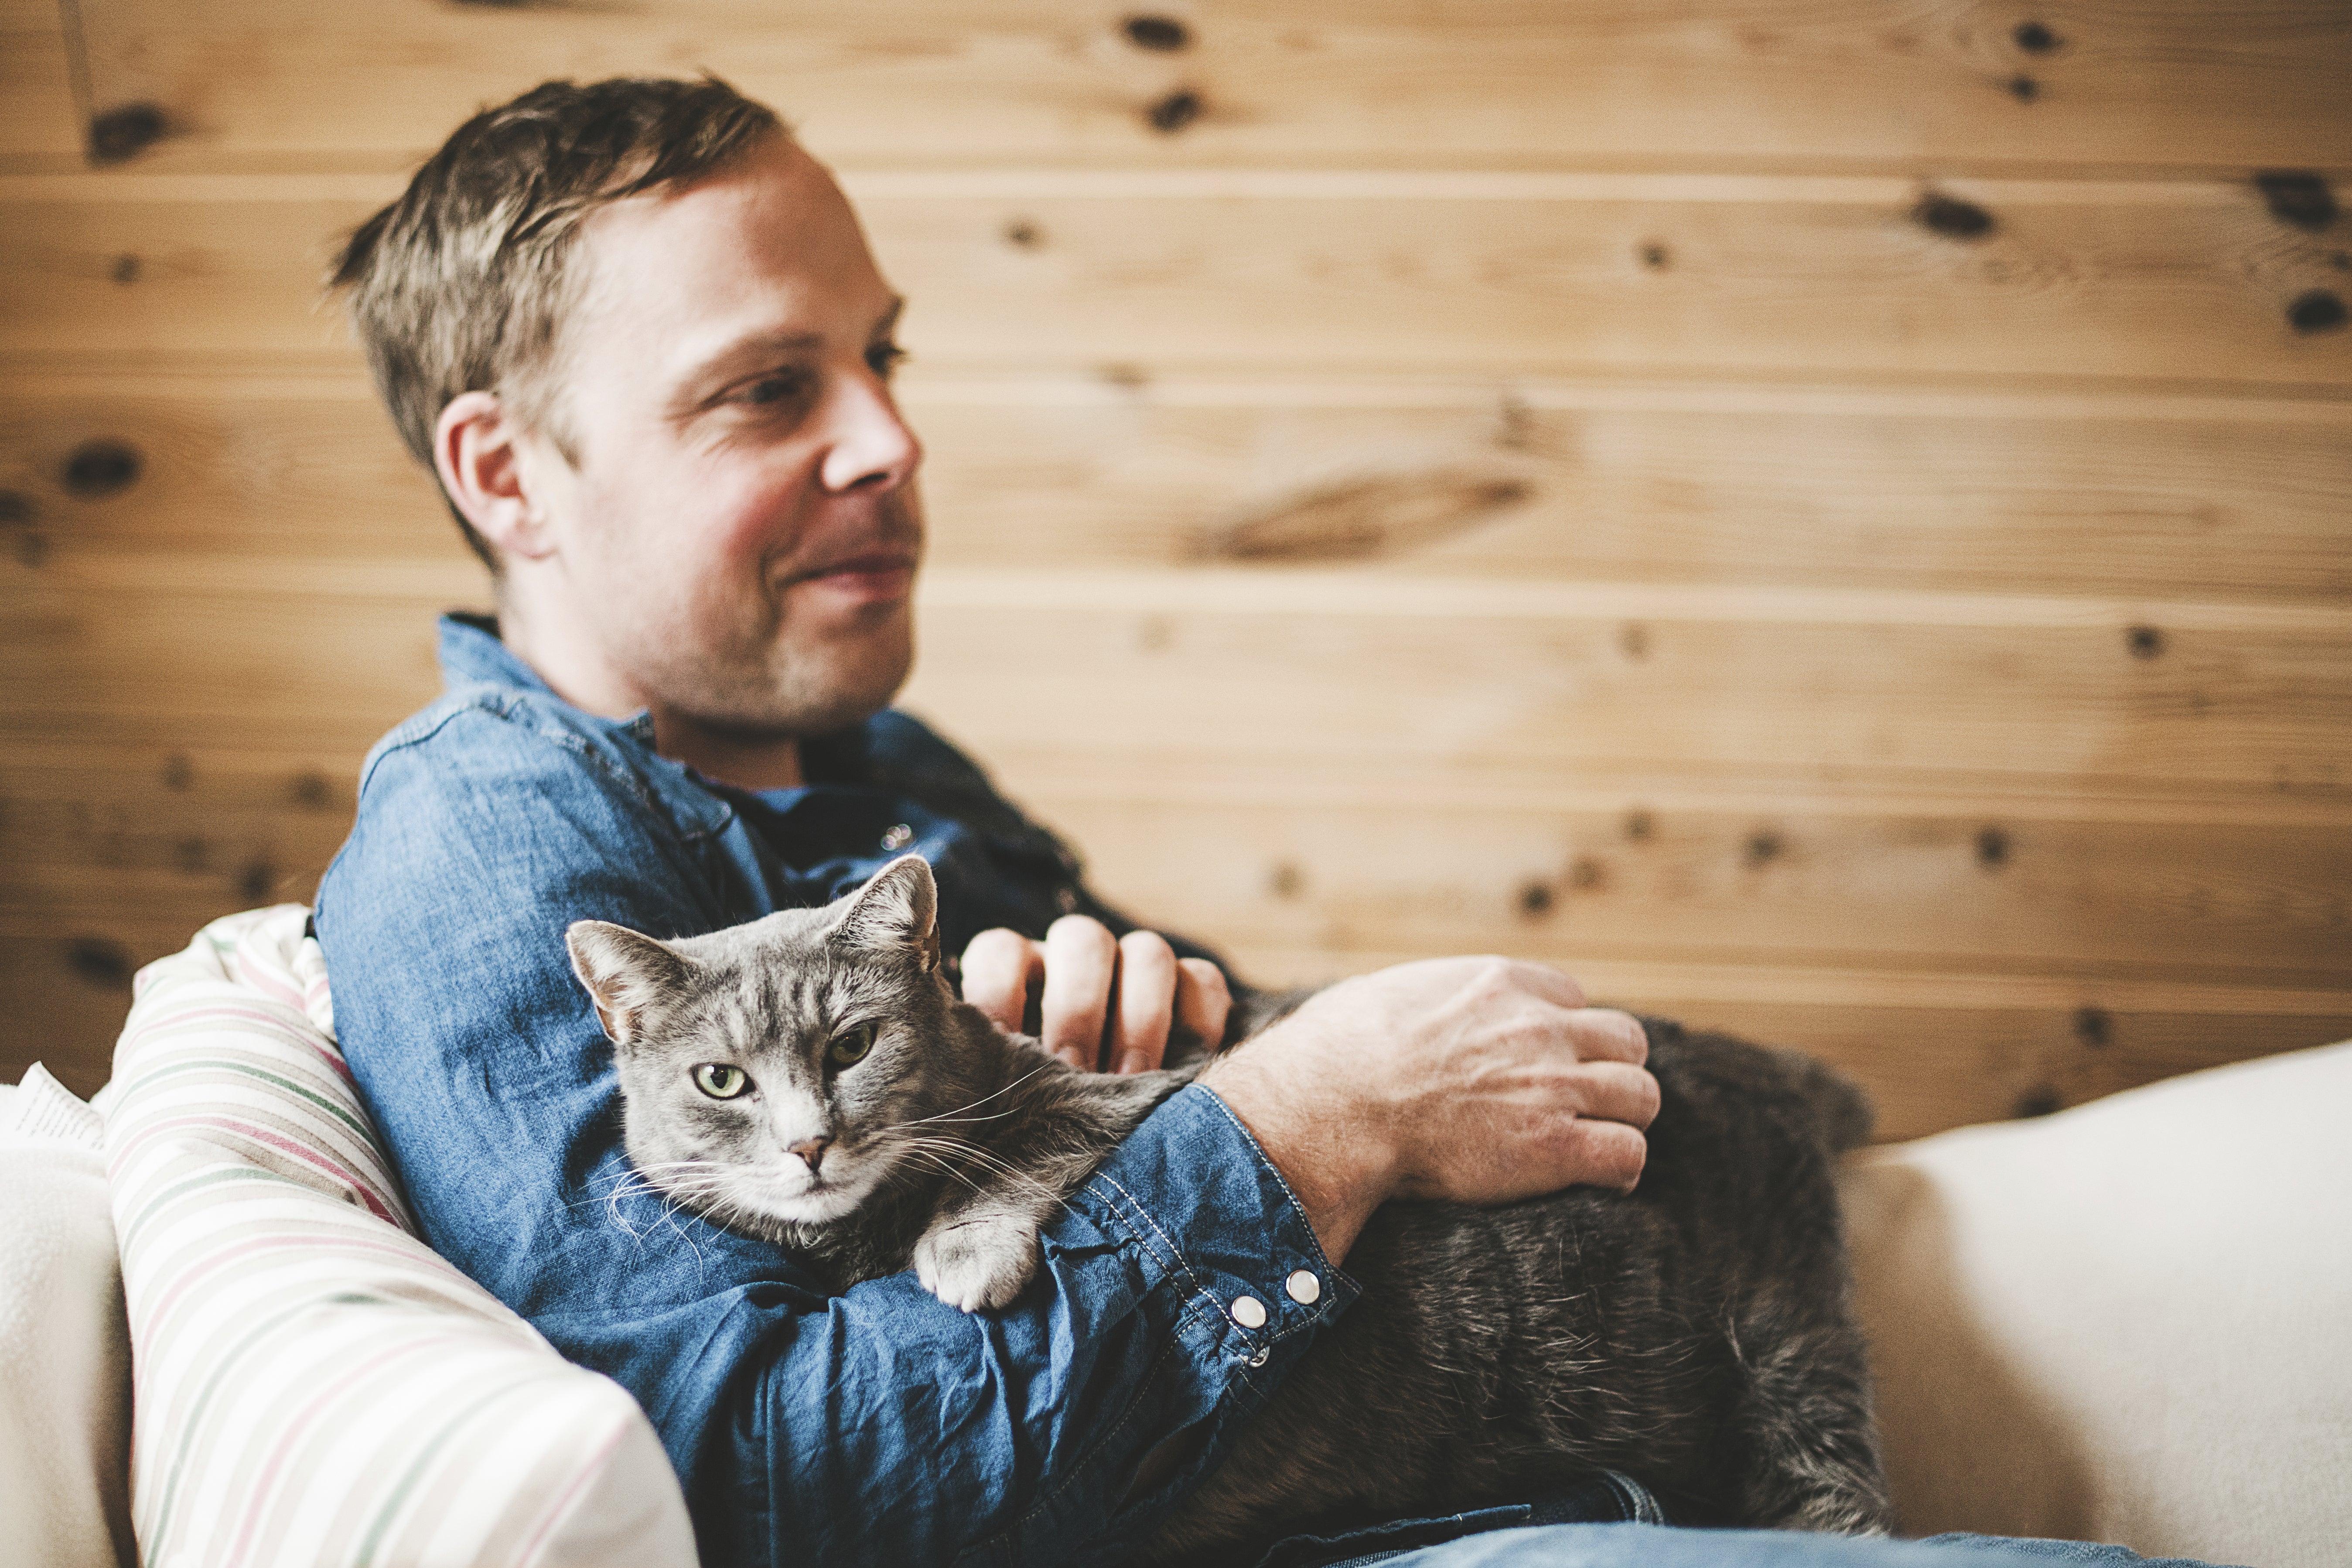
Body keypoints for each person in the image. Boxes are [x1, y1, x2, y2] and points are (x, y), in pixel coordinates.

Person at [314, 76, 2229, 1568]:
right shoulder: (493, 853)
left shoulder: (878, 773)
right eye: (764, 390)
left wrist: (1192, 1039)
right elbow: (763, 1489)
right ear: (510, 473)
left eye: (883, 355)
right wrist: (1316, 1110)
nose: (890, 438)